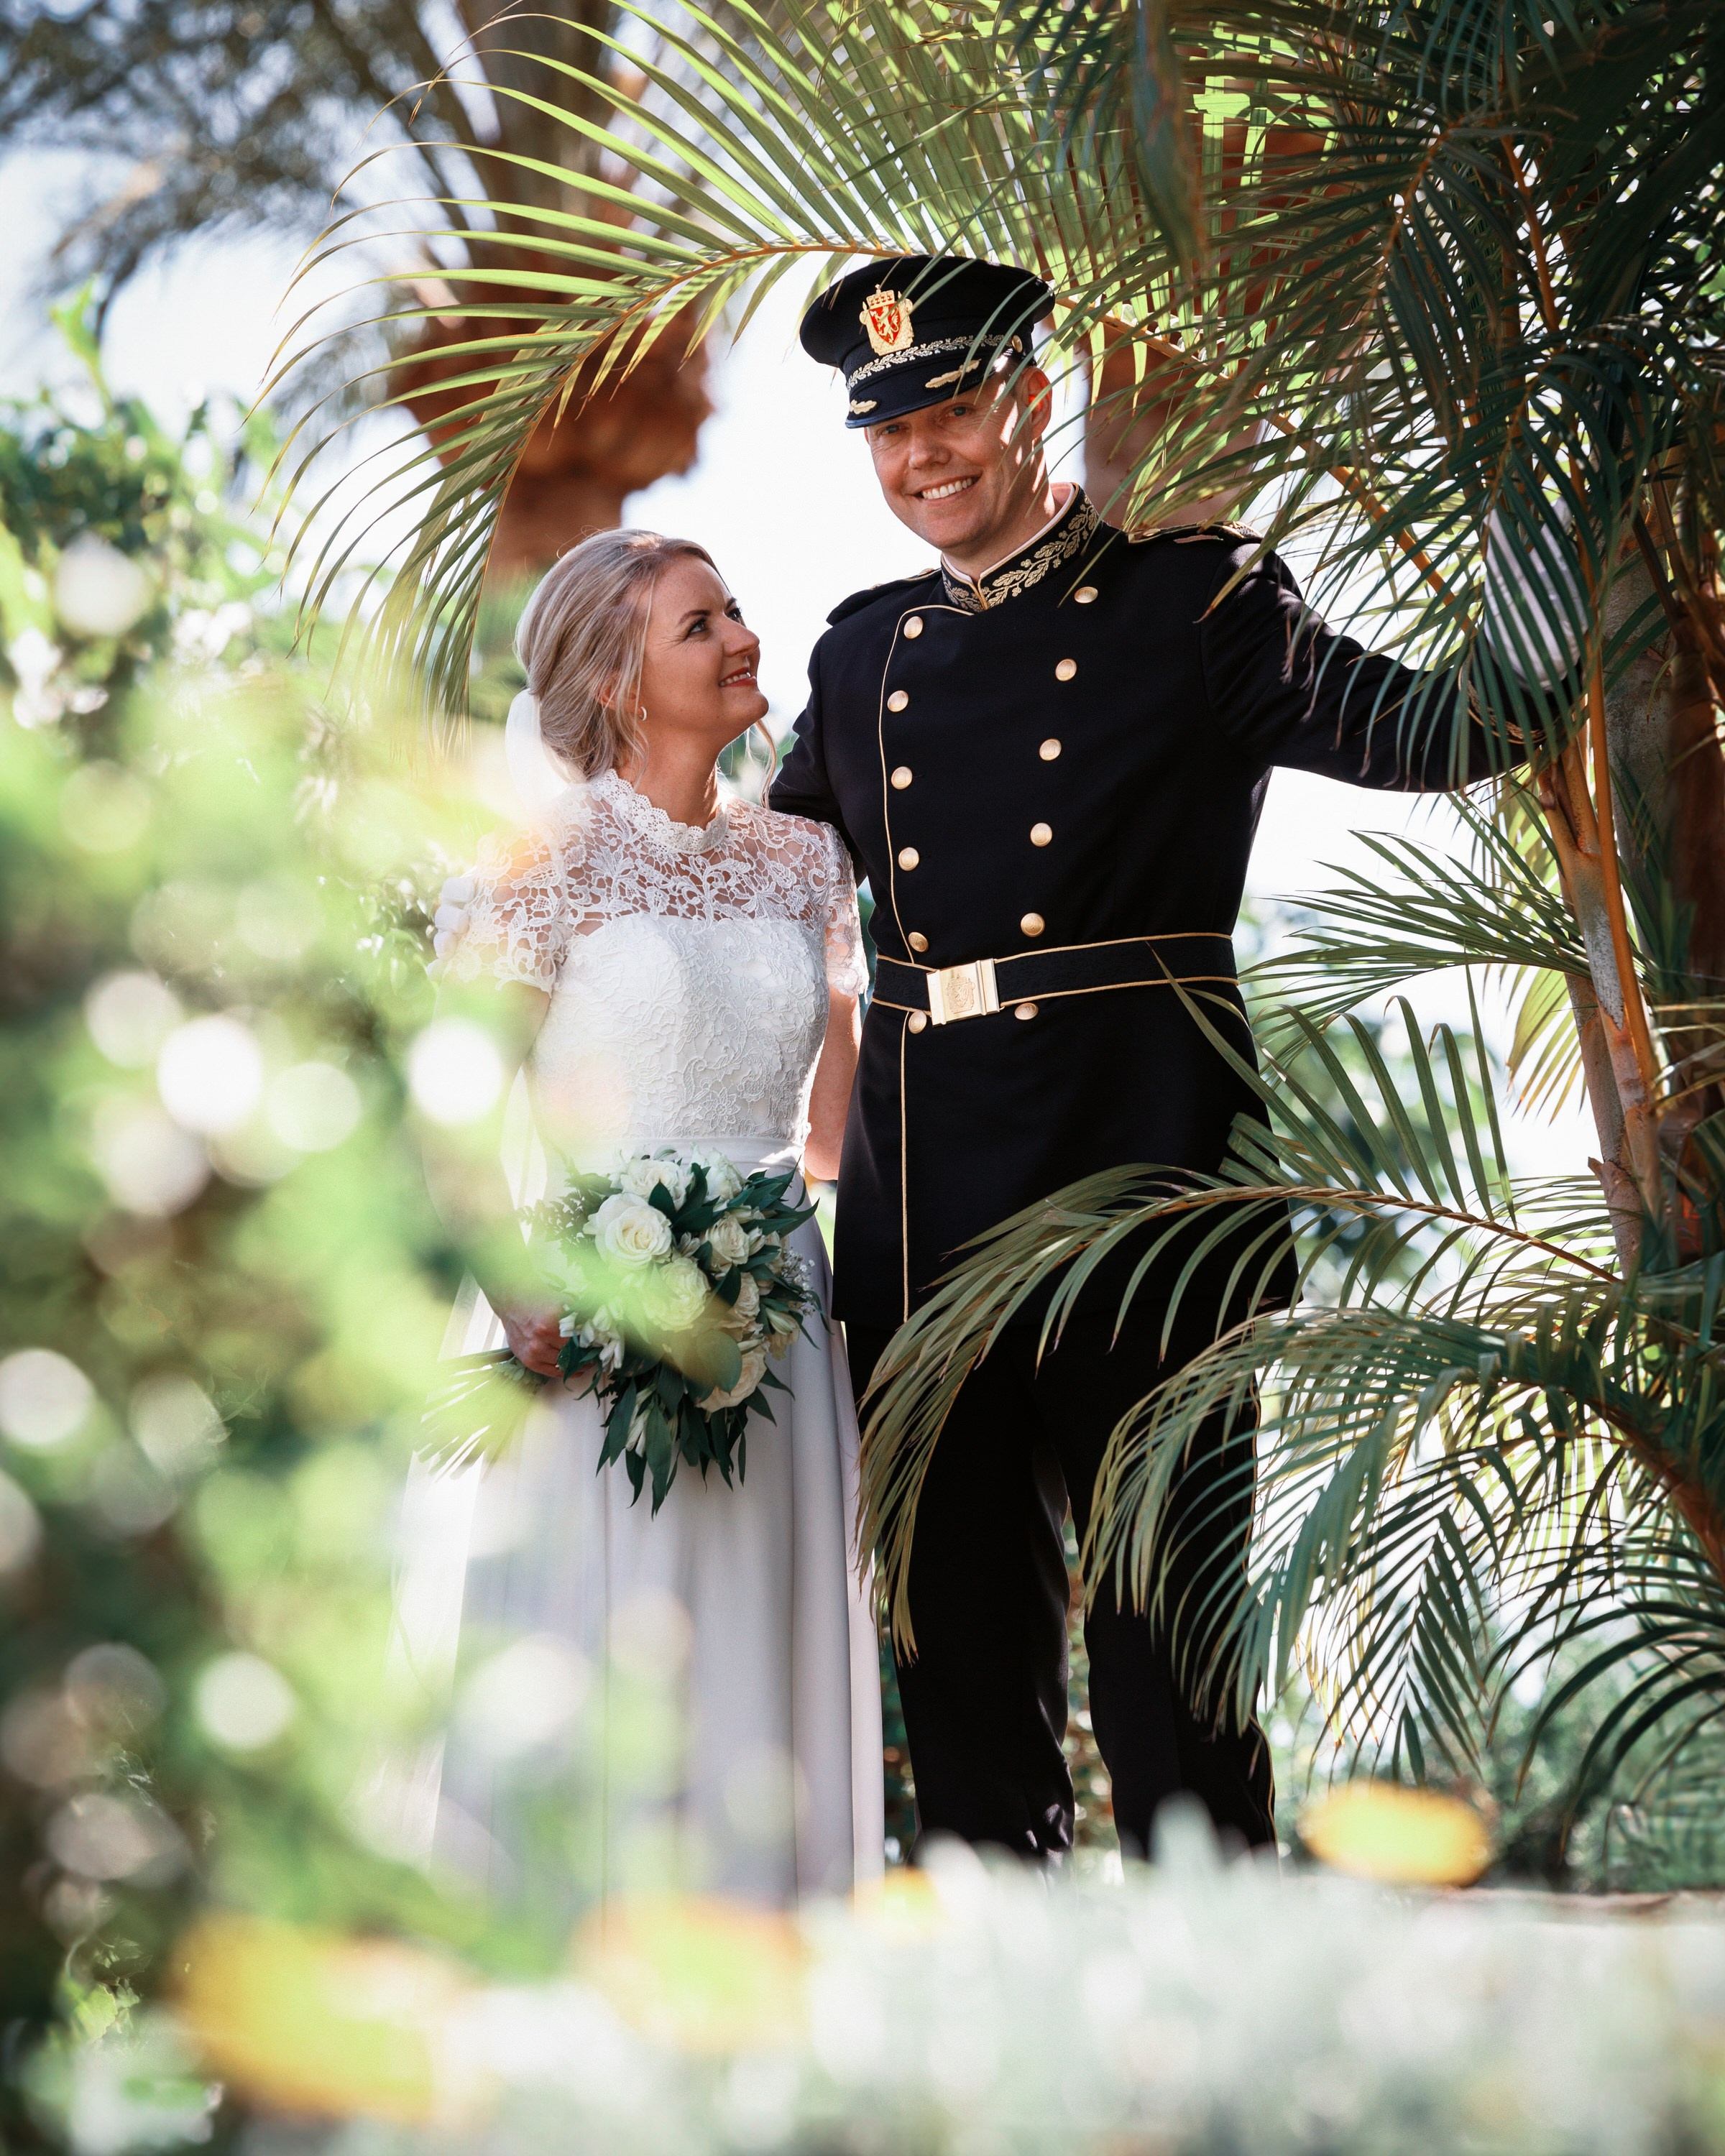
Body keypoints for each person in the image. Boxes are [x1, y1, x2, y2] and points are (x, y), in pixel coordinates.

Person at [773, 254, 1537, 1864]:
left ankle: (1219, 2026)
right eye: (888, 432)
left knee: (1165, 1656)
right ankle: (1001, 2022)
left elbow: (1447, 731)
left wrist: (1544, 524)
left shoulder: (1193, 605)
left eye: (955, 412)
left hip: (1145, 1184)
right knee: (959, 1649)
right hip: (919, 1216)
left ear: (1031, 402)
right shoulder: (861, 659)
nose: (922, 460)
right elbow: (743, 888)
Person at [420, 529, 883, 1910]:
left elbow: (839, 1126)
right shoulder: (540, 862)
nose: (744, 637)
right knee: (611, 1653)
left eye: (736, 608)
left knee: (766, 1640)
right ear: (619, 678)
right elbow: (450, 1103)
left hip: (782, 1323)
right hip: (596, 1317)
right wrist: (518, 1292)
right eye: (701, 625)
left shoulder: (806, 863)